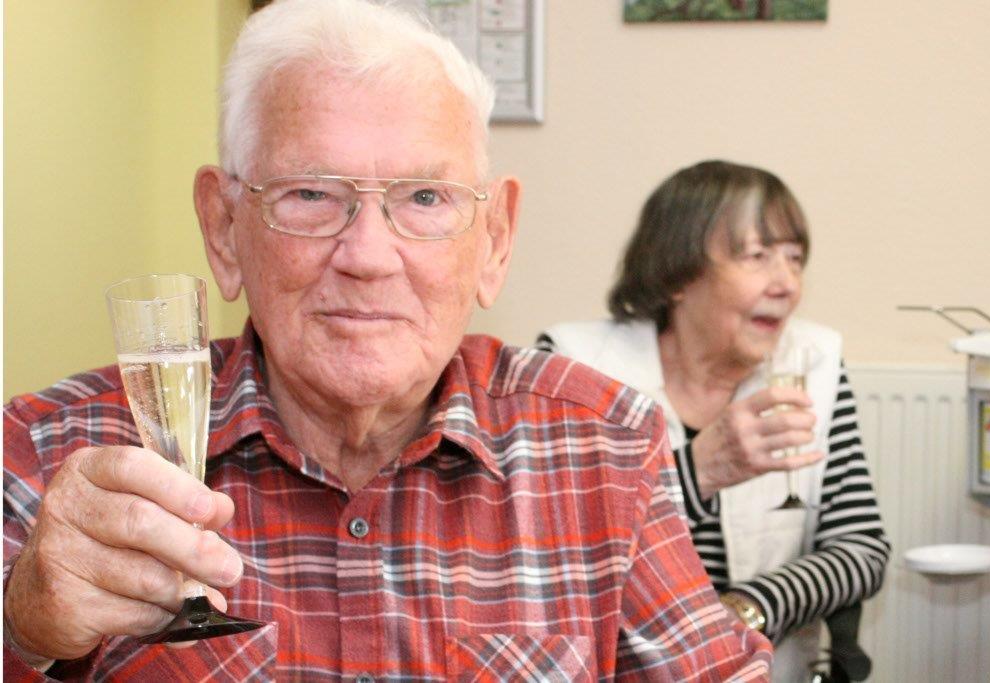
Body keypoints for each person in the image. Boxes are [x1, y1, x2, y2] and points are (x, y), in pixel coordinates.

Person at [2, 3, 773, 680]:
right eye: (310, 193)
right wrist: (21, 629)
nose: (368, 256)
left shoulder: (603, 447)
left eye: (425, 197)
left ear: (495, 239)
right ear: (224, 229)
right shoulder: (48, 455)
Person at [539, 160, 891, 682]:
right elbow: (551, 553)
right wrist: (694, 473)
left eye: (795, 258)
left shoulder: (813, 362)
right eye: (757, 256)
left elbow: (861, 548)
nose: (787, 284)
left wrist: (748, 609)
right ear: (677, 275)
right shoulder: (575, 368)